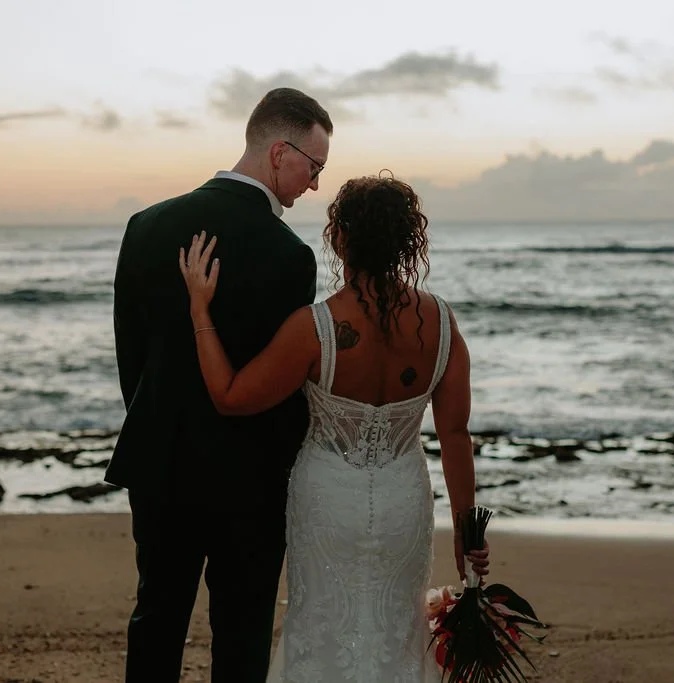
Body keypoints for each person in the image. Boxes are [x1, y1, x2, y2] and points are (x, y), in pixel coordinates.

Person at [178, 174, 489, 681]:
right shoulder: (441, 323)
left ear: (339, 237)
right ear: (408, 240)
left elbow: (230, 397)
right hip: (404, 500)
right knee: (399, 628)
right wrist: (465, 528)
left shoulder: (314, 328)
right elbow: (455, 435)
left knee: (319, 627)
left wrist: (199, 309)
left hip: (325, 501)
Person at [105, 88, 333, 682]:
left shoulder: (147, 226)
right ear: (280, 152)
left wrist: (160, 424)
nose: (313, 185)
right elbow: (282, 384)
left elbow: (133, 358)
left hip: (161, 464)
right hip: (250, 479)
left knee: (157, 618)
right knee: (243, 628)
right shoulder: (289, 256)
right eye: (314, 167)